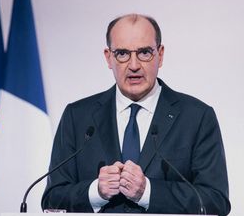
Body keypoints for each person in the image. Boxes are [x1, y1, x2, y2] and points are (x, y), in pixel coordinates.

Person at [42, 14, 231, 216]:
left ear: (161, 54)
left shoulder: (197, 117)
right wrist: (95, 192)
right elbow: (52, 199)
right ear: (108, 57)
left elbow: (215, 201)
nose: (133, 65)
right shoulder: (77, 117)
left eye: (144, 53)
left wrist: (148, 192)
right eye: (122, 53)